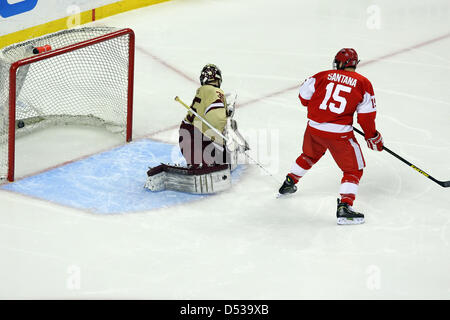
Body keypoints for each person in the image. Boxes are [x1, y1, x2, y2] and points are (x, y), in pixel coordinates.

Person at [278, 48, 384, 225]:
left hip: (313, 129)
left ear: (340, 63)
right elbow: (366, 117)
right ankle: (345, 207)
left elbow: (304, 98)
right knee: (353, 170)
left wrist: (322, 109)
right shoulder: (363, 83)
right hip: (339, 135)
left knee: (309, 155)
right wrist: (372, 136)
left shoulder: (321, 75)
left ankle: (289, 183)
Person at [179, 64, 230, 168]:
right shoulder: (216, 91)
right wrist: (222, 145)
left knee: (200, 165)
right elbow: (217, 120)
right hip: (198, 135)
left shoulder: (203, 91)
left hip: (186, 134)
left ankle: (197, 166)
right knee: (212, 164)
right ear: (218, 79)